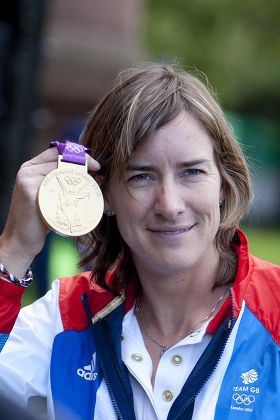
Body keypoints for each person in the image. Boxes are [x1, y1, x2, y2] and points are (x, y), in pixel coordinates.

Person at [0, 62, 279, 420]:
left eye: (192, 172)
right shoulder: (65, 316)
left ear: (223, 183)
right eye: (141, 176)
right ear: (105, 196)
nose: (170, 205)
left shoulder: (274, 310)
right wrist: (14, 249)